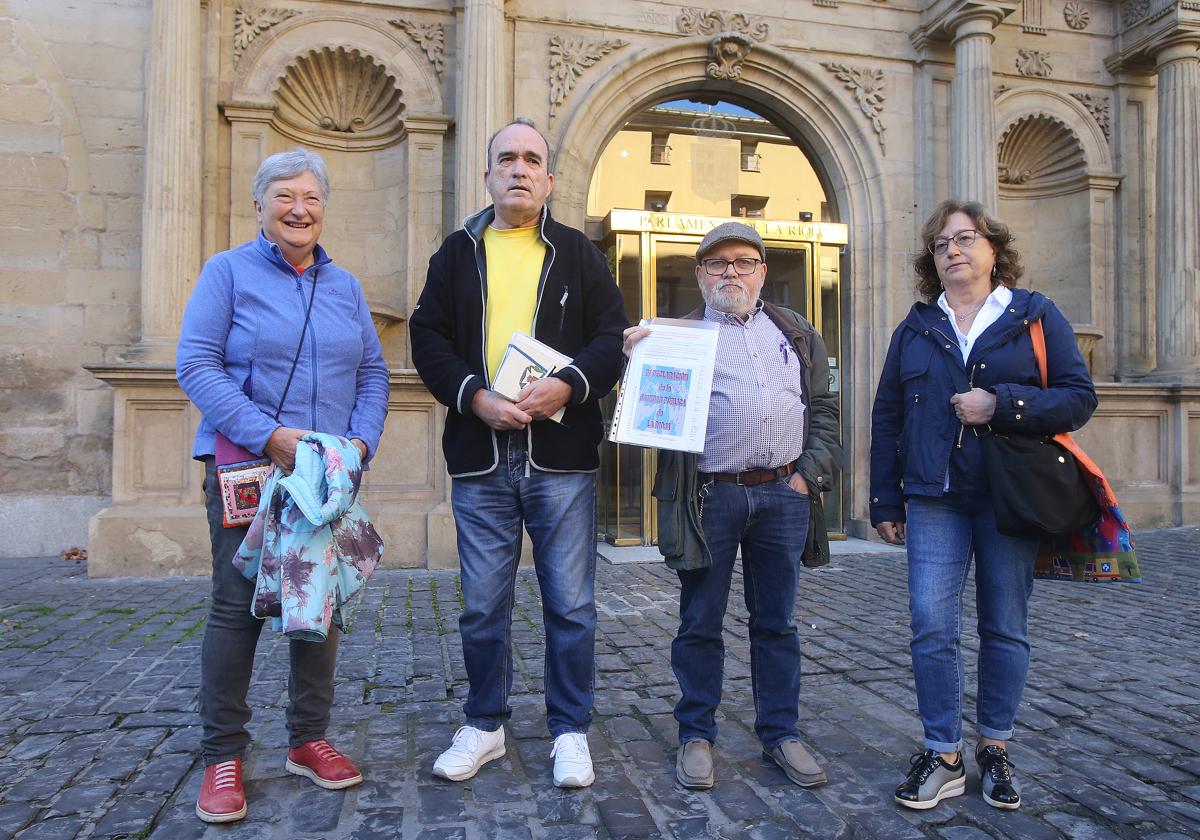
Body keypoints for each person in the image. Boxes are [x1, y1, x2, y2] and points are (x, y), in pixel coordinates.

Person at [409, 118, 626, 788]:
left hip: (560, 458)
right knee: (482, 606)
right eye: (507, 158)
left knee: (571, 605)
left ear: (550, 179)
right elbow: (427, 337)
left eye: (533, 159)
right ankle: (484, 725)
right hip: (481, 456)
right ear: (488, 175)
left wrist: (567, 383)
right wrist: (474, 396)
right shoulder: (456, 253)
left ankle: (569, 730)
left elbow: (612, 334)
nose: (520, 169)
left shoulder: (578, 253)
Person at [176, 148, 389, 823]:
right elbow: (196, 364)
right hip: (248, 467)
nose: (300, 209)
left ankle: (307, 739)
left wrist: (359, 444)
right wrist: (268, 435)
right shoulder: (227, 273)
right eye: (285, 197)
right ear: (261, 204)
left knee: (316, 607)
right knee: (236, 608)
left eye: (312, 198)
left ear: (324, 207)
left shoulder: (346, 286)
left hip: (322, 478)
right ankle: (224, 754)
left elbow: (374, 374)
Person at [870, 200, 1097, 811]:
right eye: (941, 244)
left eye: (965, 238)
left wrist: (1002, 405)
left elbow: (1078, 398)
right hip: (935, 495)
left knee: (1004, 625)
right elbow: (888, 414)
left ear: (994, 249)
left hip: (1009, 498)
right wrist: (883, 497)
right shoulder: (916, 326)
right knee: (930, 624)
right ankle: (942, 752)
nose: (953, 250)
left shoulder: (1034, 316)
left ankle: (994, 748)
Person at [622, 222, 842, 790]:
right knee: (700, 622)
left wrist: (805, 477)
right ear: (699, 274)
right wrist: (639, 367)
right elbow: (650, 425)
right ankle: (696, 735)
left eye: (743, 263)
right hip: (709, 496)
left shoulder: (794, 332)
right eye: (717, 264)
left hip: (782, 494)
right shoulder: (676, 337)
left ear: (763, 272)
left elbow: (824, 408)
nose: (731, 273)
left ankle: (781, 735)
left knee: (778, 624)